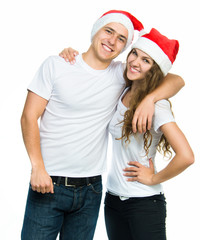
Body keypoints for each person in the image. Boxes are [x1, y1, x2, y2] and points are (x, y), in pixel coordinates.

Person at [20, 10, 184, 240]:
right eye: (109, 31)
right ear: (96, 30)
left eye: (121, 39)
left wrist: (150, 99)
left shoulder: (121, 75)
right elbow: (28, 117)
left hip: (91, 190)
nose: (112, 41)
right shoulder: (57, 65)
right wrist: (37, 166)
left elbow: (176, 79)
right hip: (49, 183)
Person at [103, 28, 194, 240]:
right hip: (113, 200)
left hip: (144, 204)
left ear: (154, 70)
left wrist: (154, 177)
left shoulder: (158, 106)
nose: (135, 62)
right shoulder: (124, 90)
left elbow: (187, 156)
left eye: (146, 60)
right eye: (135, 53)